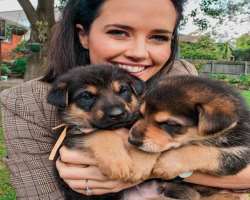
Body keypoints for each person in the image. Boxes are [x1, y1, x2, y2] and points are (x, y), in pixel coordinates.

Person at [0, 0, 250, 199]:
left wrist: (166, 171)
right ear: (83, 35)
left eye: (159, 37)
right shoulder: (24, 102)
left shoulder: (179, 78)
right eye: (119, 32)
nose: (138, 53)